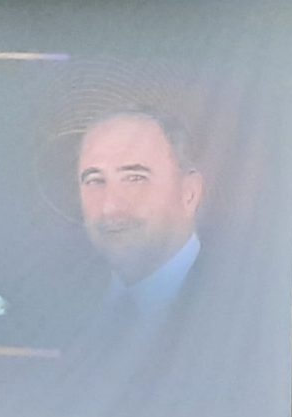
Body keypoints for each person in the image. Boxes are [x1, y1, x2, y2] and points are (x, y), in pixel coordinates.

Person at [74, 108, 205, 339]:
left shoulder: (252, 301)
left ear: (189, 193)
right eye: (95, 181)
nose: (109, 207)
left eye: (135, 178)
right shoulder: (58, 303)